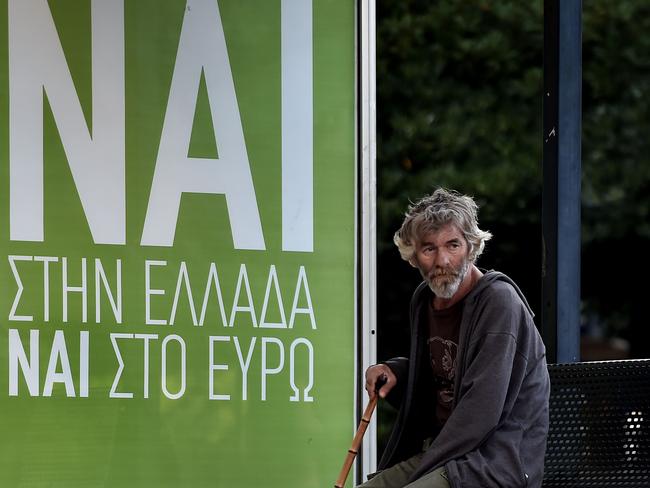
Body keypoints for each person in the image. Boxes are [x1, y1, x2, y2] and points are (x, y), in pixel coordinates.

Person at [359, 188, 550, 488]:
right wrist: (394, 371)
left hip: (493, 465)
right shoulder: (424, 300)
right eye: (428, 249)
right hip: (445, 454)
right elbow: (441, 375)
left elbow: (481, 411)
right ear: (413, 255)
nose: (442, 260)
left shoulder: (499, 302)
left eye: (453, 245)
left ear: (472, 247)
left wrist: (419, 475)